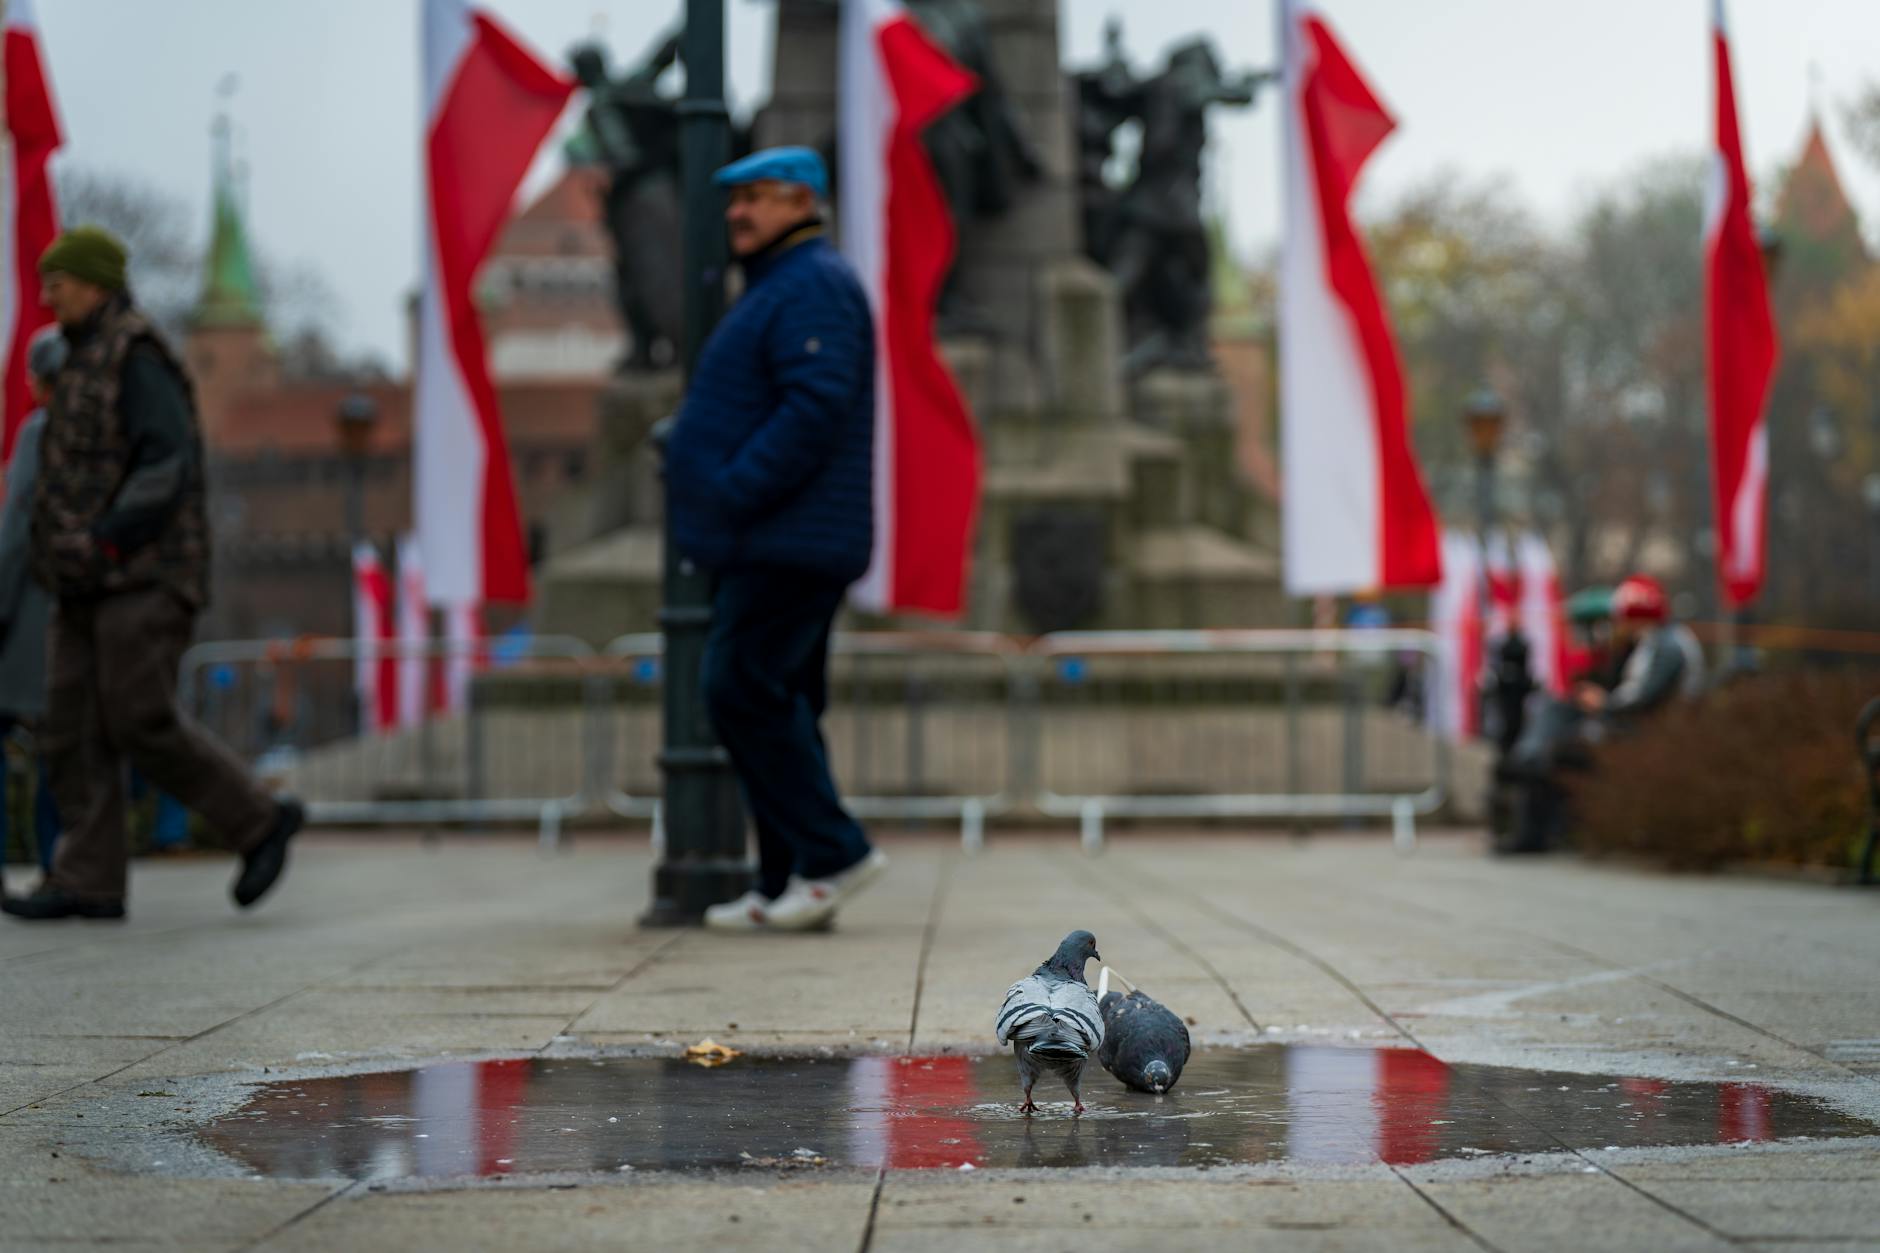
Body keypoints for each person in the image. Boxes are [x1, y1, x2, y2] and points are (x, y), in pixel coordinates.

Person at [3, 226, 302, 922]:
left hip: (141, 574)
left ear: (98, 283)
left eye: (61, 281)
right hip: (78, 581)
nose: (48, 294)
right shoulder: (78, 360)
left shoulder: (136, 355)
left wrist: (108, 537)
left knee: (137, 715)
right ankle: (87, 877)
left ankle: (259, 820)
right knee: (71, 725)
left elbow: (165, 463)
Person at [663, 148, 886, 933]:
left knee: (739, 687)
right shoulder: (783, 285)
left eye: (752, 196)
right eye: (732, 198)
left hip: (786, 536)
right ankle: (788, 877)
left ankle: (834, 854)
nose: (735, 212)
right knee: (782, 699)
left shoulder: (812, 283)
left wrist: (729, 488)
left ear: (802, 200)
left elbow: (814, 407)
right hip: (779, 534)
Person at [0, 328, 66, 871]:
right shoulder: (110, 432)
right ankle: (60, 863)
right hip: (88, 610)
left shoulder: (39, 432)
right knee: (64, 750)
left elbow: (17, 528)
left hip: (30, 615)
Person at [1571, 575, 1705, 726]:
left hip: (1668, 730)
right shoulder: (1655, 639)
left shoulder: (1667, 645)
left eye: (1622, 618)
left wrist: (1604, 703)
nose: (1618, 624)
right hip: (1659, 726)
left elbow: (1645, 696)